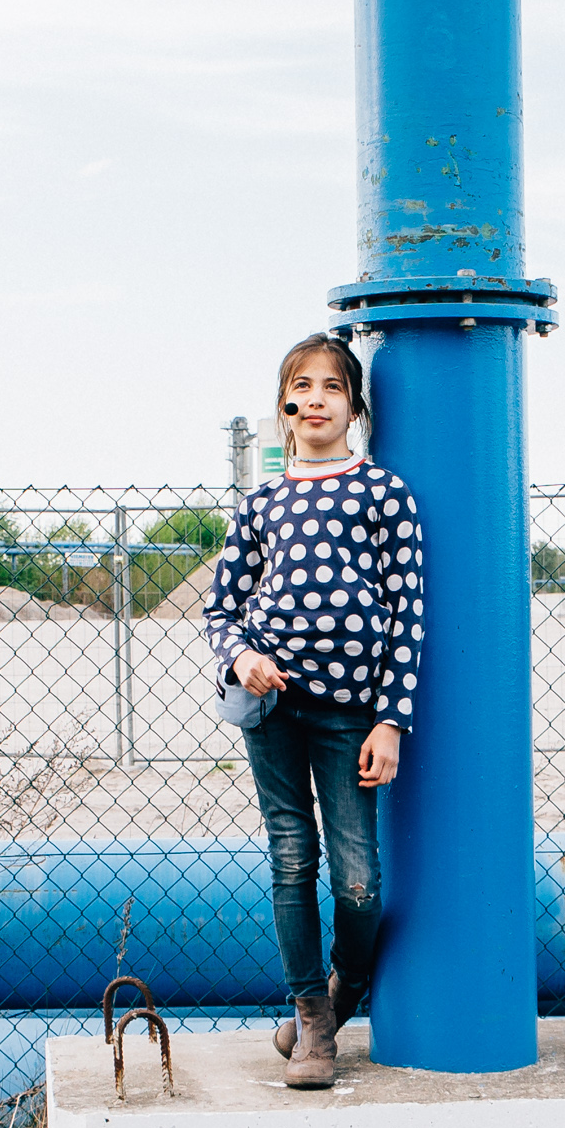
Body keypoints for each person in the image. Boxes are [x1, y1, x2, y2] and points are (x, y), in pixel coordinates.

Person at [199, 331, 425, 1088]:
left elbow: (407, 612)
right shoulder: (260, 502)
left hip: (351, 717)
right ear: (285, 406)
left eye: (333, 386)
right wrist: (241, 658)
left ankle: (341, 991)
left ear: (354, 406)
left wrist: (390, 720)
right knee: (292, 859)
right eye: (303, 386)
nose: (317, 399)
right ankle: (313, 1024)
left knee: (359, 882)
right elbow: (220, 609)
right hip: (273, 710)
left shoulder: (382, 494)